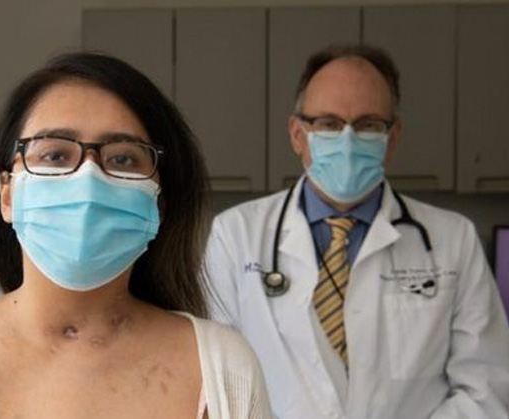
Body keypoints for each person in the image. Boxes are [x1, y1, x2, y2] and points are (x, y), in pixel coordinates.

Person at [0, 52, 272, 419]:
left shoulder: (224, 369)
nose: (88, 178)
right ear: (7, 195)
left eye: (123, 159)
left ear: (157, 205)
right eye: (54, 154)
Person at [205, 44, 509, 419]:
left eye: (368, 125)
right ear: (298, 134)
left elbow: (486, 389)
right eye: (328, 123)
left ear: (392, 138)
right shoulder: (235, 235)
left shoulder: (454, 240)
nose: (348, 142)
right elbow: (216, 383)